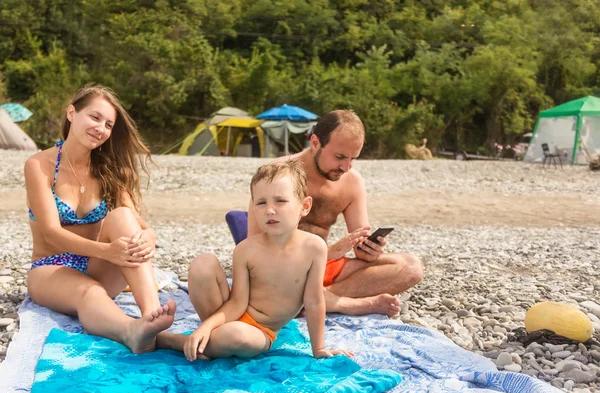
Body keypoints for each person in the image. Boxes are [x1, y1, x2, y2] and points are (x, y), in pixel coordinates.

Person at [25, 84, 175, 354]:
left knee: (121, 217)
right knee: (90, 292)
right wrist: (108, 251)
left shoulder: (108, 169)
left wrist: (149, 235)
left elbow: (134, 221)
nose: (101, 128)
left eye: (108, 125)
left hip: (100, 264)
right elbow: (50, 232)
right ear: (72, 113)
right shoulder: (39, 165)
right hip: (51, 269)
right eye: (95, 117)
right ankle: (131, 332)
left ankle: (151, 316)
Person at [157, 160, 352, 360]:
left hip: (259, 332)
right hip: (229, 315)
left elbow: (314, 302)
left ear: (304, 206)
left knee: (236, 335)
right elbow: (237, 303)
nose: (270, 210)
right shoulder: (246, 250)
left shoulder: (314, 248)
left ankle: (171, 341)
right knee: (202, 263)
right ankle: (209, 340)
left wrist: (318, 349)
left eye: (280, 201)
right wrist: (207, 325)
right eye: (261, 203)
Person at [248, 110, 424, 317]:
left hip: (321, 268)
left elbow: (360, 247)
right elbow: (256, 249)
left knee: (411, 267)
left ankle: (317, 299)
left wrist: (370, 249)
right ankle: (331, 301)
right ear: (315, 142)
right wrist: (331, 250)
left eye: (353, 159)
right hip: (281, 269)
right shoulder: (277, 174)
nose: (346, 167)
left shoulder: (351, 182)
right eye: (340, 157)